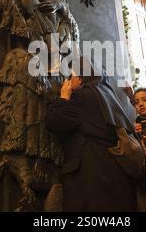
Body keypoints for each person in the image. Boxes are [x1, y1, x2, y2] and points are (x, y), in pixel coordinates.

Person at [44, 58, 137, 211]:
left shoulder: (83, 97)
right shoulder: (107, 93)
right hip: (115, 175)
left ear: (80, 78)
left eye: (71, 76)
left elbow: (53, 122)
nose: (69, 80)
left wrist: (63, 98)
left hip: (92, 175)